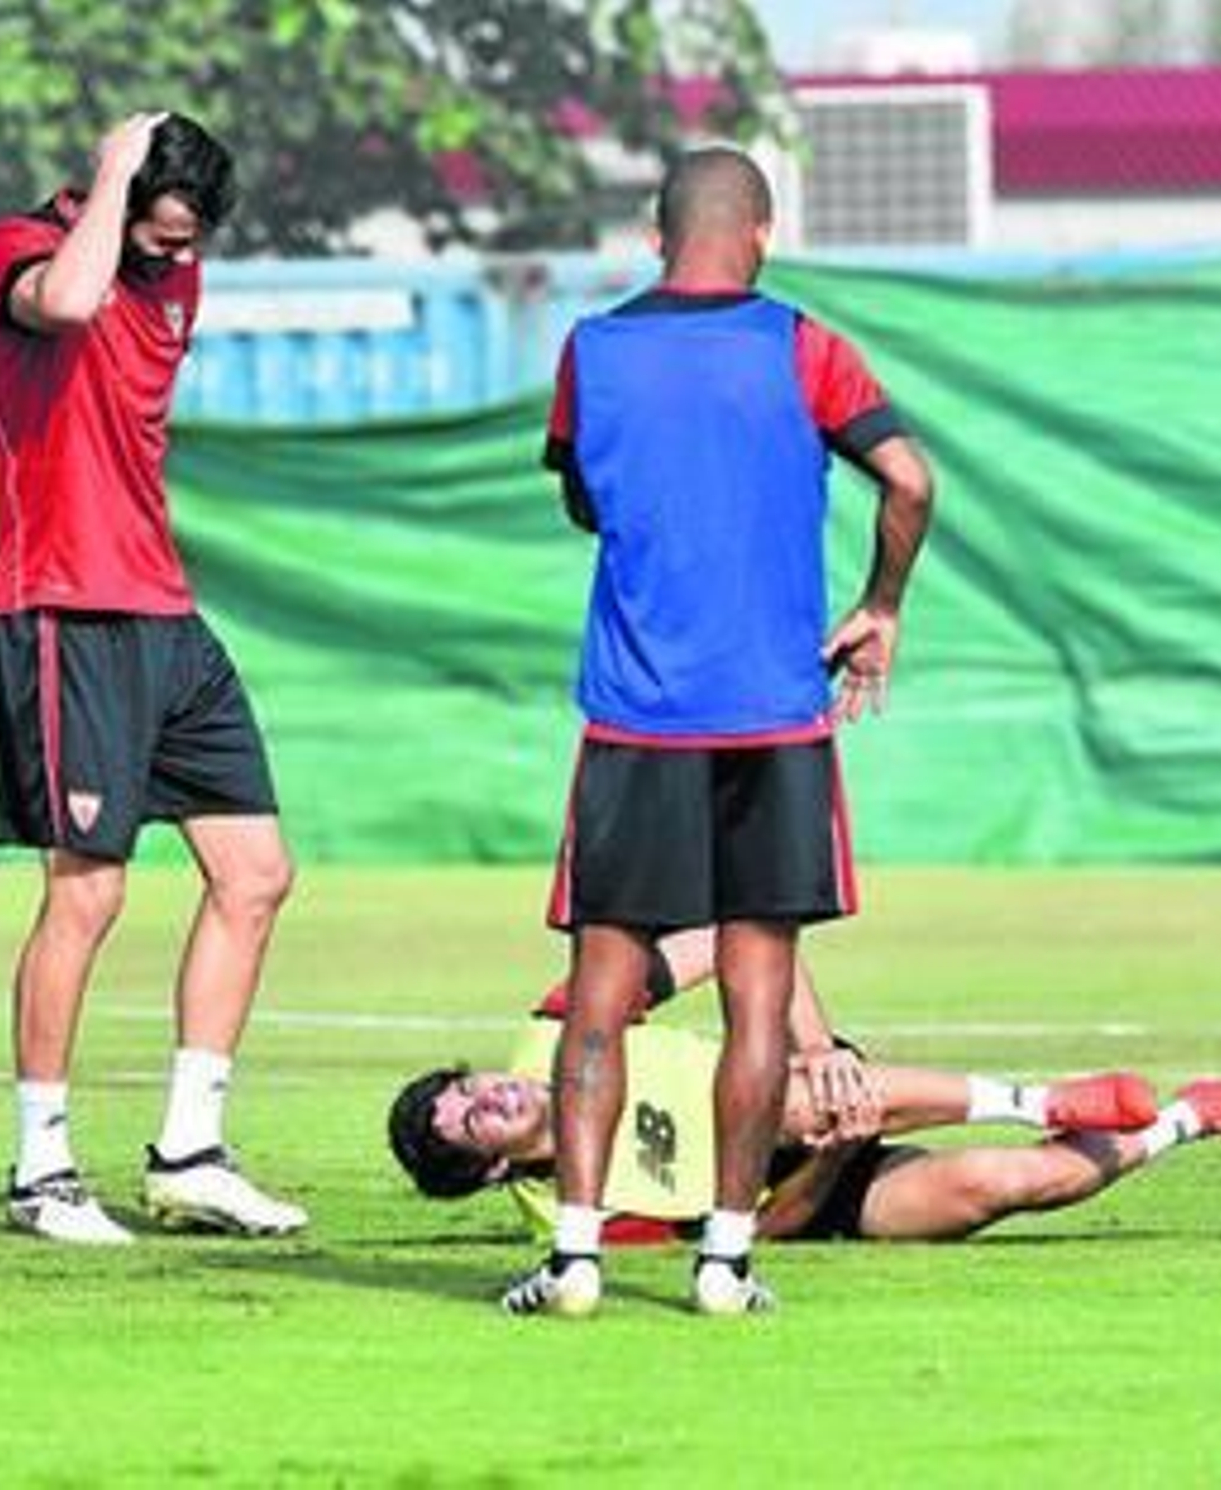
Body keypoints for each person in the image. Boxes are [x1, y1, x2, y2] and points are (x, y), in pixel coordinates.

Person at [523, 144, 935, 1316]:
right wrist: (881, 609)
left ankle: (575, 1260)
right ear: (760, 231)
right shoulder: (804, 345)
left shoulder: (591, 352)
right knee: (760, 998)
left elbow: (584, 499)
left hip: (637, 725)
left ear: (657, 237)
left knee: (599, 993)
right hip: (775, 723)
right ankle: (723, 1262)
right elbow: (908, 481)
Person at [0, 112, 305, 1245]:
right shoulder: (13, 249)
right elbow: (63, 303)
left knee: (256, 872)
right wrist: (114, 169)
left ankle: (190, 1152)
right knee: (90, 889)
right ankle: (41, 1168)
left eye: (188, 242)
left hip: (166, 617)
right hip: (62, 608)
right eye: (159, 237)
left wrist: (149, 230)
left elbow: (133, 282)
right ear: (113, 190)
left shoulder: (176, 278)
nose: (174, 261)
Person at [389, 931, 1221, 1253]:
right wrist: (831, 1165)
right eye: (469, 1123)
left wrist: (821, 1049)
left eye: (470, 1085)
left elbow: (727, 936)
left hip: (798, 1077)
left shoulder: (561, 1026)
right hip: (809, 1192)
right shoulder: (574, 1215)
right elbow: (758, 1230)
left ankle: (1038, 1098)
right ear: (482, 1175)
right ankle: (1195, 1116)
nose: (491, 1098)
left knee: (792, 1097)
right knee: (1016, 1188)